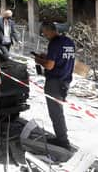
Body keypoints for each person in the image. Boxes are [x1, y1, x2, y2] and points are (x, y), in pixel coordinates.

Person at [34, 22, 76, 150]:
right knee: (58, 111)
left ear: (49, 30)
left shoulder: (54, 43)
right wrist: (47, 57)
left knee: (56, 113)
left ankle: (62, 140)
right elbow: (61, 58)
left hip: (54, 82)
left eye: (44, 33)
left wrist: (39, 60)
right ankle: (62, 137)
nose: (44, 35)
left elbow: (49, 66)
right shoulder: (68, 41)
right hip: (65, 81)